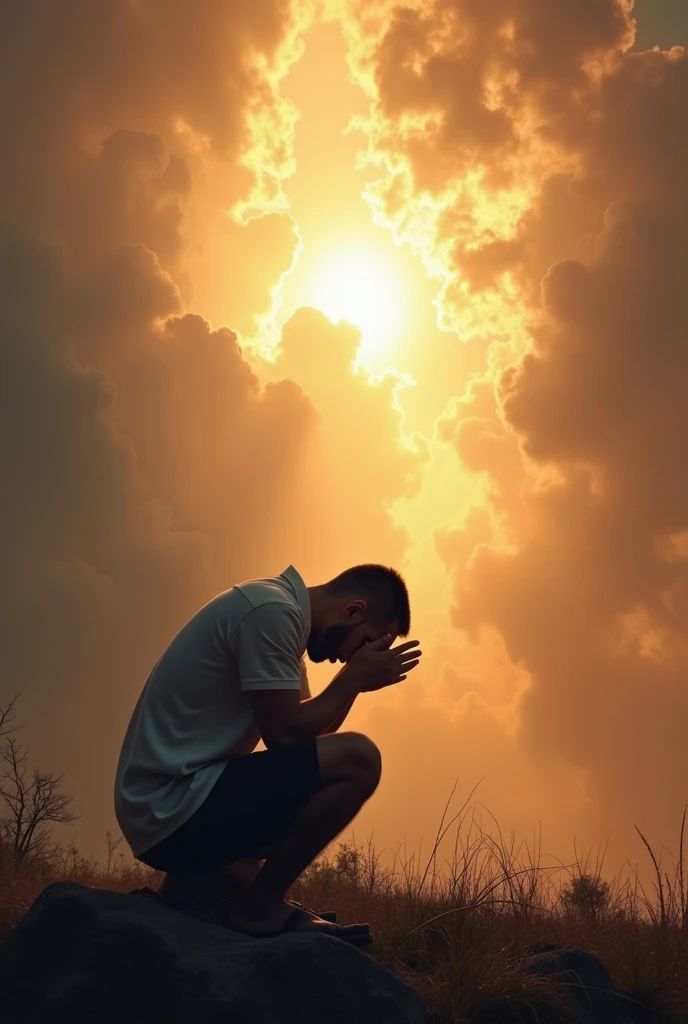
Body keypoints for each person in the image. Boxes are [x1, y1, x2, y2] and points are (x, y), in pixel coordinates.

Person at [114, 563, 422, 941]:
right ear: (353, 611)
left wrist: (352, 682)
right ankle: (259, 908)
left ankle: (188, 890)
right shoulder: (271, 613)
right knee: (360, 759)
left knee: (250, 871)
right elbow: (286, 735)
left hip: (168, 809)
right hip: (171, 807)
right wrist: (355, 677)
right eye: (364, 644)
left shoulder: (281, 615)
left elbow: (314, 734)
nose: (349, 658)